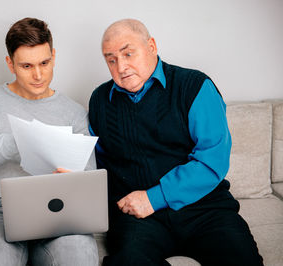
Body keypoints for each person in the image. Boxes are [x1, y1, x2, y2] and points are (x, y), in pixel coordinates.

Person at [88, 18, 263, 266]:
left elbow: (212, 160)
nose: (121, 67)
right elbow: (99, 164)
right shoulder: (99, 101)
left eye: (128, 53)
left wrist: (154, 197)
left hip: (205, 209)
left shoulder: (195, 86)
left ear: (151, 46)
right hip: (138, 218)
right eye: (111, 60)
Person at [0, 17, 98, 266]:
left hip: (60, 209)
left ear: (53, 56)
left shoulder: (74, 112)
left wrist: (70, 179)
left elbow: (89, 175)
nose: (38, 75)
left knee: (80, 255)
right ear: (10, 64)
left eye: (44, 63)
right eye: (26, 66)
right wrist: (22, 141)